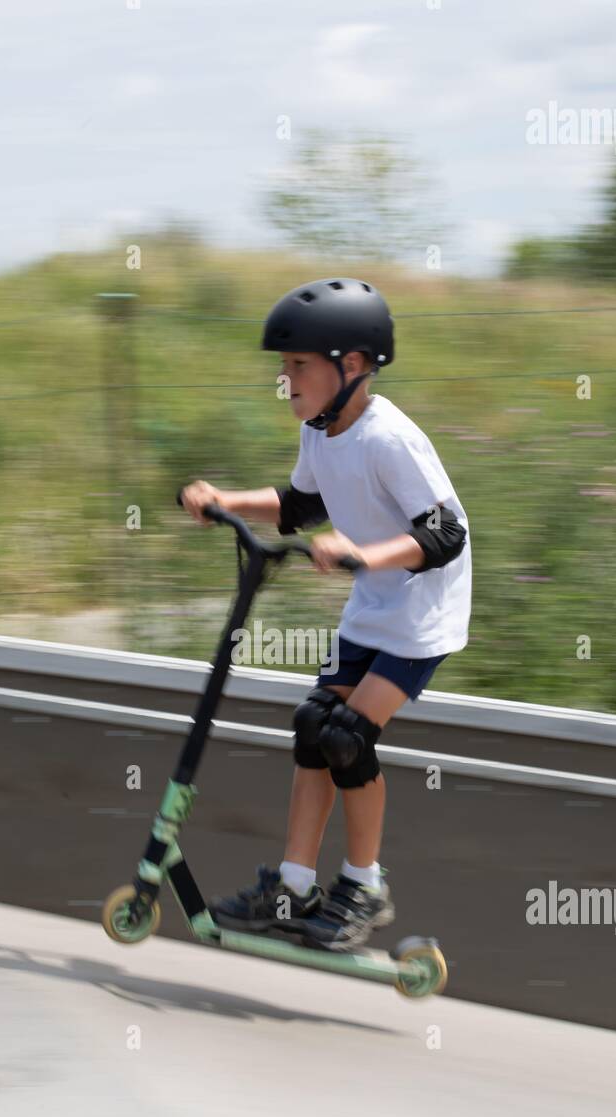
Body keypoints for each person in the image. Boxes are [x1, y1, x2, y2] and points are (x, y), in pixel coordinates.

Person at [178, 277, 470, 952]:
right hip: (375, 603)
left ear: (356, 366)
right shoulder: (322, 431)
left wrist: (364, 554)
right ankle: (293, 885)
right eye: (283, 367)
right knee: (313, 726)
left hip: (424, 610)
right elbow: (301, 506)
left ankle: (364, 887)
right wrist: (224, 499)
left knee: (348, 739)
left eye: (299, 366)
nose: (286, 380)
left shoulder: (388, 438)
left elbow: (445, 534)